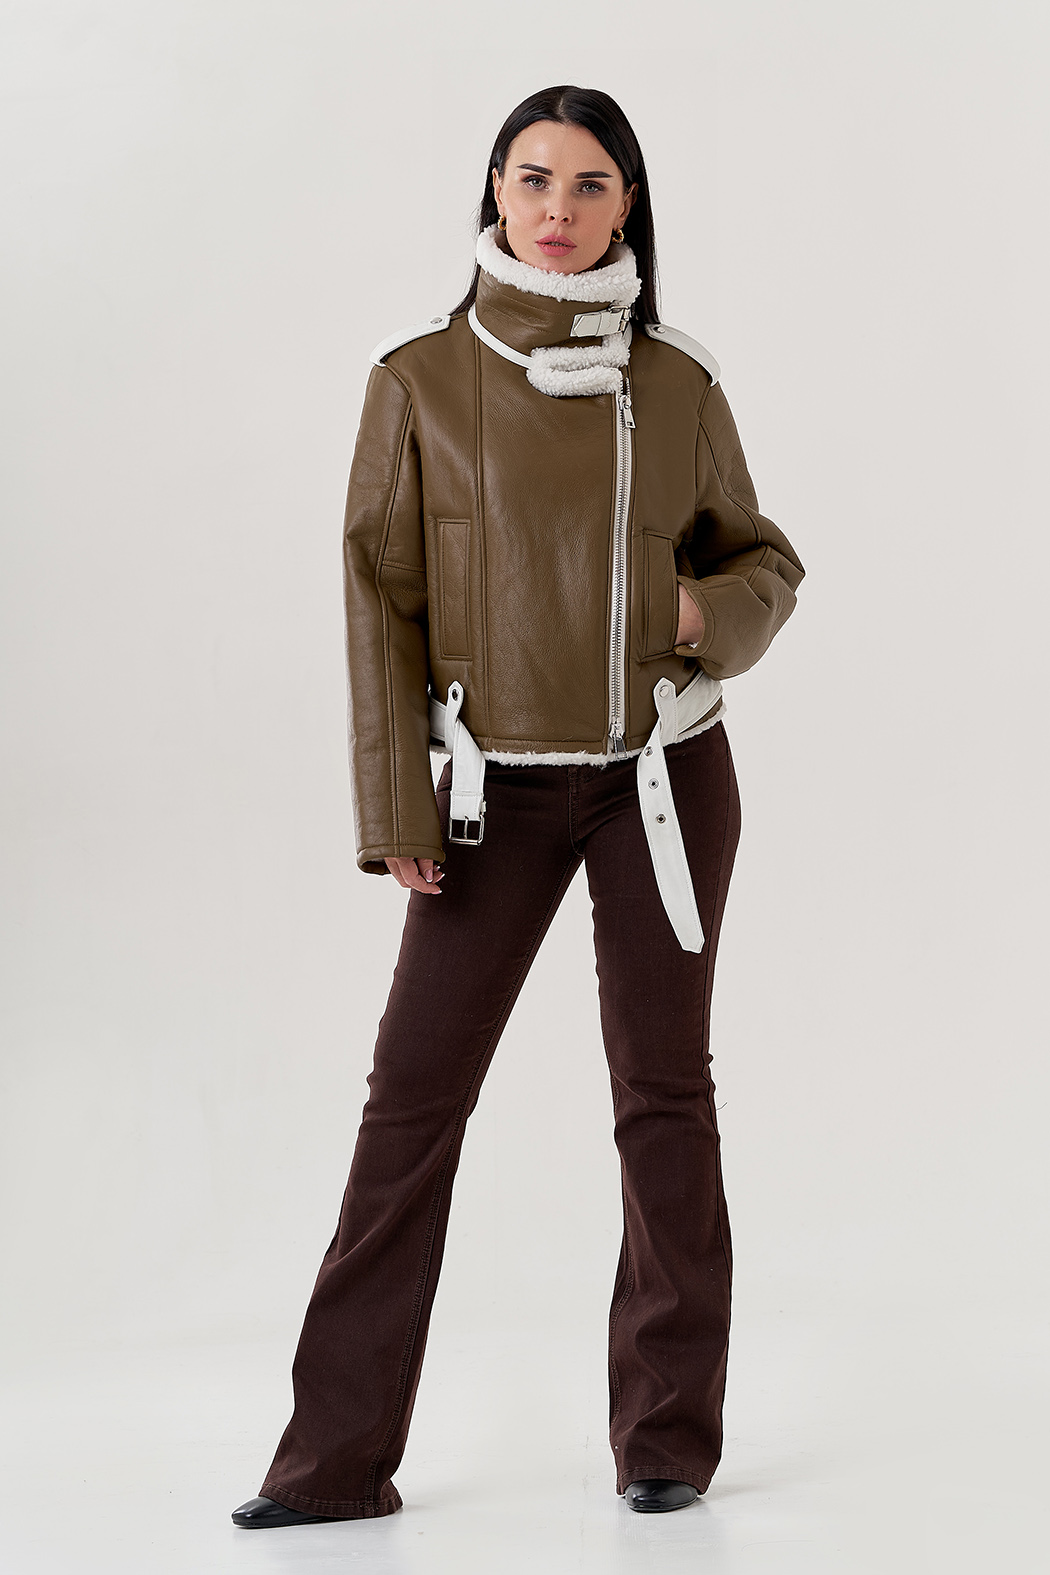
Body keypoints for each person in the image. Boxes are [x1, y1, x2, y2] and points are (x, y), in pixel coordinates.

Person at [232, 83, 803, 1529]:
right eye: (533, 178)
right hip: (489, 798)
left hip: (661, 782)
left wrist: (697, 612)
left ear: (628, 207)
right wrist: (395, 809)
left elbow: (763, 560)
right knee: (410, 1109)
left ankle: (665, 1440)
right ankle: (333, 1463)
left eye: (590, 184)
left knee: (662, 1097)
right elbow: (377, 599)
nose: (558, 209)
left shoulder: (678, 382)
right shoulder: (418, 380)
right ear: (493, 189)